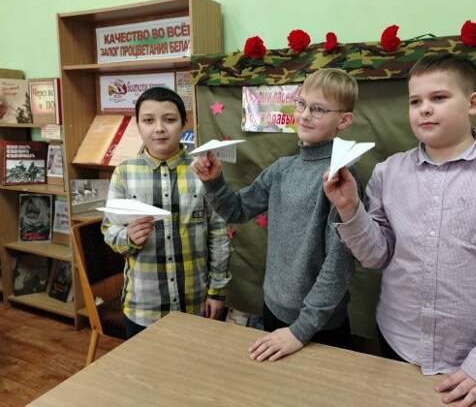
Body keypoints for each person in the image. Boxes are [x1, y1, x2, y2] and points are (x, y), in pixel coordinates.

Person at [323, 54, 476, 407]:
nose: (424, 109)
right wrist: (350, 209)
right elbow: (376, 256)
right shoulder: (388, 172)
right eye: (415, 101)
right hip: (400, 345)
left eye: (439, 97)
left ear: (473, 103)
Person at [191, 68, 359, 362]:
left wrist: (300, 330)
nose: (304, 115)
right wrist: (214, 181)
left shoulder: (340, 176)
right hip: (273, 309)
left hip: (317, 325)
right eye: (301, 104)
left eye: (318, 109)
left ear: (343, 120)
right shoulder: (282, 169)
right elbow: (236, 210)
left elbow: (339, 264)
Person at [102, 87, 231, 338]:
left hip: (195, 302)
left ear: (184, 123)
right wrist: (128, 237)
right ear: (138, 125)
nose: (159, 128)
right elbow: (109, 230)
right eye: (148, 120)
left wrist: (217, 292)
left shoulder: (202, 170)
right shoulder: (124, 173)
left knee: (193, 361)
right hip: (143, 306)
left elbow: (218, 234)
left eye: (169, 119)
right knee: (144, 364)